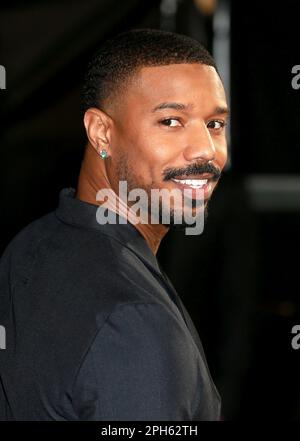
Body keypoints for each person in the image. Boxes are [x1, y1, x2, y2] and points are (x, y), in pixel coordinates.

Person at [0, 28, 229, 421]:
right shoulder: (135, 321)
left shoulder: (30, 244)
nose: (206, 150)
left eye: (214, 124)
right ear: (101, 132)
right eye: (172, 121)